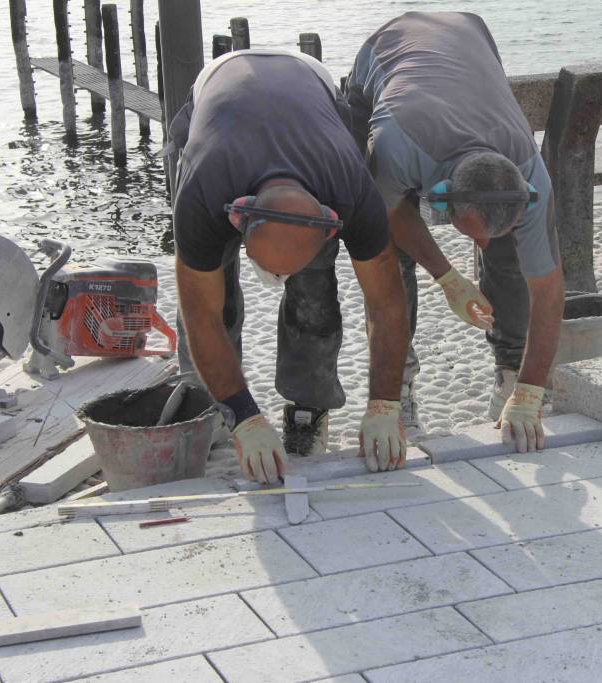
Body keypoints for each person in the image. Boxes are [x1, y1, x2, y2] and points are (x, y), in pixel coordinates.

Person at [169, 48, 410, 482]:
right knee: (214, 298)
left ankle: (308, 406)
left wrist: (384, 405)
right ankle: (212, 407)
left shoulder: (351, 189)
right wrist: (245, 417)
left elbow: (386, 302)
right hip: (218, 92)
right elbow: (198, 315)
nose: (278, 279)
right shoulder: (202, 189)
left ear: (330, 224)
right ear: (238, 215)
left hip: (310, 87)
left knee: (314, 295)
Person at [346, 11, 564, 453]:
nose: (479, 247)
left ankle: (509, 375)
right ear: (439, 200)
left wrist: (531, 392)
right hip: (386, 58)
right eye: (472, 236)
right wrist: (448, 276)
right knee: (388, 253)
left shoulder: (530, 175)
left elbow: (548, 289)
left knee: (510, 256)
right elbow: (386, 216)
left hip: (470, 38)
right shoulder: (394, 145)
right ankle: (397, 387)